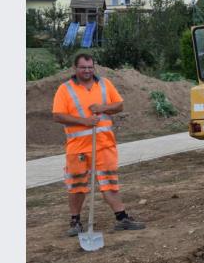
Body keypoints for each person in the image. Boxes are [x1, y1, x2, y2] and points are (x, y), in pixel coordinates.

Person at [52, 53, 145, 236]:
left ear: (93, 67)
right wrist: (84, 121)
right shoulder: (65, 89)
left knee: (110, 182)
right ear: (75, 68)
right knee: (77, 186)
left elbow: (119, 105)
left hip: (104, 145)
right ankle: (75, 222)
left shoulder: (104, 84)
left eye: (90, 67)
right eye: (83, 67)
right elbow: (57, 115)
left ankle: (121, 218)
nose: (87, 71)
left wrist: (102, 108)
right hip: (78, 147)